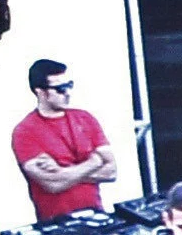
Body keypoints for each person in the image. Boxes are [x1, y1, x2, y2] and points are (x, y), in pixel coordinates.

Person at [10, 60, 118, 224]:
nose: (67, 92)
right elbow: (52, 184)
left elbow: (112, 172)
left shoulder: (85, 119)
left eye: (69, 85)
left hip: (96, 216)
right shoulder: (25, 131)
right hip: (56, 224)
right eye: (60, 89)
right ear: (40, 92)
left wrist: (63, 172)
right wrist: (94, 162)